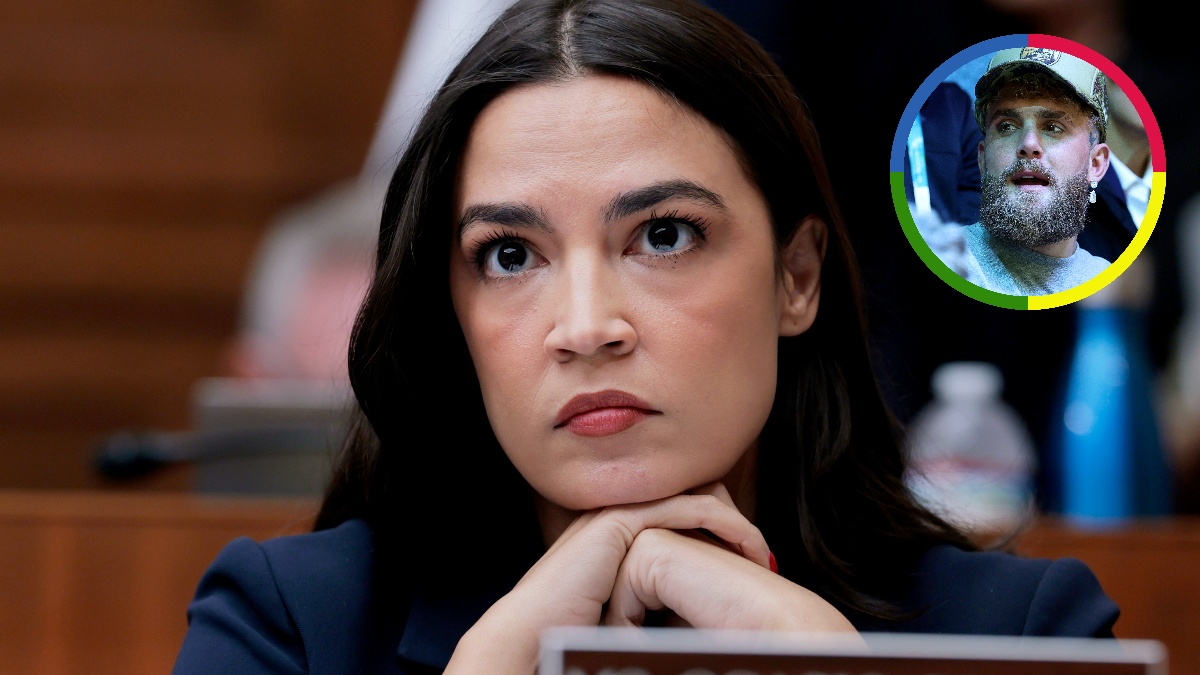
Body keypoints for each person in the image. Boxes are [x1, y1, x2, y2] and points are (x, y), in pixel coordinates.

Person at [173, 1, 1120, 672]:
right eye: (510, 255)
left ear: (797, 277)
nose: (587, 327)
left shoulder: (1024, 631)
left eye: (664, 235)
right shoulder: (292, 625)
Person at [948, 48, 1115, 296]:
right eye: (1007, 126)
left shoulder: (1111, 286)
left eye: (1053, 127)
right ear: (982, 160)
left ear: (1095, 164)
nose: (1028, 144)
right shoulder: (943, 261)